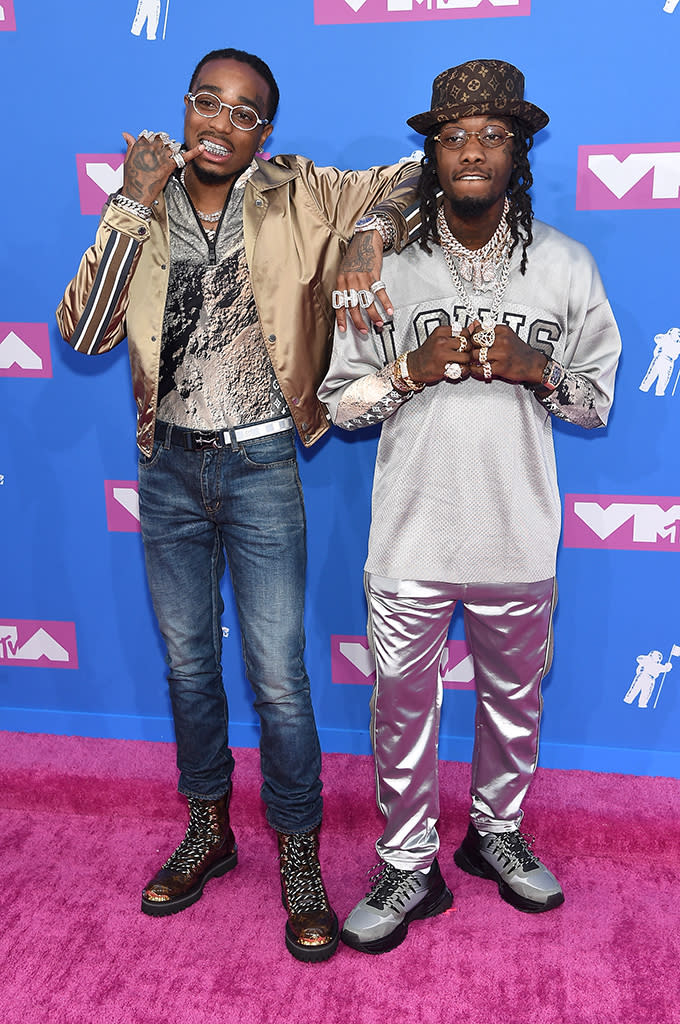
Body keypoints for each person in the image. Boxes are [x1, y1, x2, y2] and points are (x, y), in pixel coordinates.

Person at [56, 47, 419, 963]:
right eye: (207, 103)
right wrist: (131, 200)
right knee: (187, 668)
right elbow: (86, 331)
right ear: (184, 108)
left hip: (261, 465)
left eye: (246, 113)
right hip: (169, 468)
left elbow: (416, 172)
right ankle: (209, 829)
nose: (221, 124)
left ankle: (299, 858)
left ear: (267, 132)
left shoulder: (297, 193)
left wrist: (369, 230)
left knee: (280, 681)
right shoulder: (143, 205)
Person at [319, 59, 621, 955]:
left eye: (493, 135)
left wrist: (541, 372)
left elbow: (598, 401)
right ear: (433, 155)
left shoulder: (565, 263)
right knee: (402, 713)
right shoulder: (382, 272)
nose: (473, 151)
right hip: (410, 534)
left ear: (519, 152)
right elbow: (338, 403)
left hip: (518, 533)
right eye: (455, 137)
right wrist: (408, 371)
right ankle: (409, 860)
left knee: (512, 703)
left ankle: (495, 834)